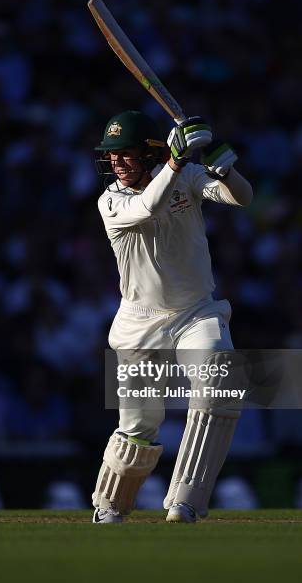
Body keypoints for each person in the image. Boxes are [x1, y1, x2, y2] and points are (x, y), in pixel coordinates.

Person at [92, 110, 253, 523]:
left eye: (126, 154)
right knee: (139, 424)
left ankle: (186, 503)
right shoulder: (112, 200)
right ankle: (110, 506)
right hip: (139, 322)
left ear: (149, 153)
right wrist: (177, 160)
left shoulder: (186, 177)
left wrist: (225, 170)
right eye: (113, 157)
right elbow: (148, 206)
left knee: (221, 376)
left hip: (195, 311)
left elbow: (243, 198)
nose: (117, 164)